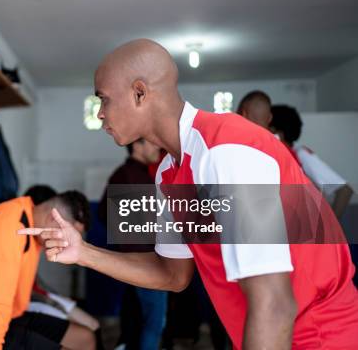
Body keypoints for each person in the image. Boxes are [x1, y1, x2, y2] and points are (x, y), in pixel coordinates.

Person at [20, 39, 358, 349]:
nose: (101, 114)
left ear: (140, 93)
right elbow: (172, 274)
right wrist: (82, 252)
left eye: (103, 98)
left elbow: (275, 304)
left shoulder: (225, 151)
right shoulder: (171, 172)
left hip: (319, 337)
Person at [0, 191, 94, 350]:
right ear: (53, 218)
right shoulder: (11, 226)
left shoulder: (30, 219)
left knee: (85, 339)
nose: (66, 244)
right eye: (66, 236)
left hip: (12, 318)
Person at [98, 139, 168, 350]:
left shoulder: (134, 174)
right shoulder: (129, 176)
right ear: (137, 146)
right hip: (147, 262)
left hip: (138, 259)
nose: (157, 147)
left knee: (141, 320)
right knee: (153, 324)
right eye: (152, 143)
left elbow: (103, 213)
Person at [270, 104, 354, 219]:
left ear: (278, 133)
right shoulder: (279, 157)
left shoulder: (301, 154)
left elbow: (345, 191)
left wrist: (329, 231)